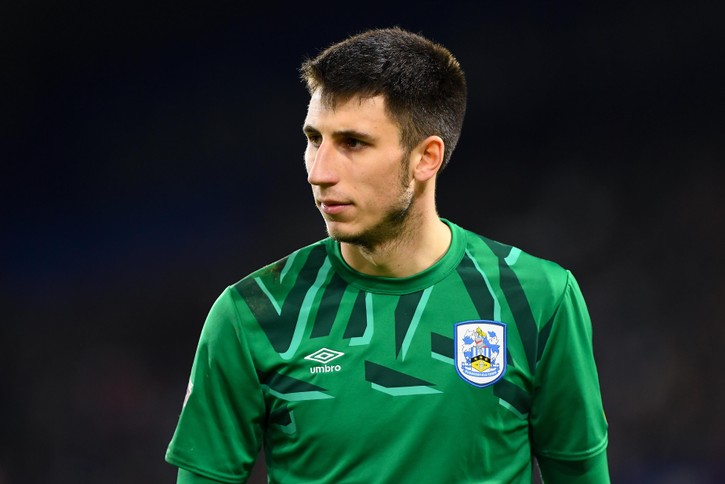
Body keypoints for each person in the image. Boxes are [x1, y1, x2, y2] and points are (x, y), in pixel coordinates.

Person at [165, 27, 609, 483]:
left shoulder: (540, 299)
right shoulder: (251, 314)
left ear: (426, 158)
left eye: (353, 143)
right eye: (314, 139)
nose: (319, 172)